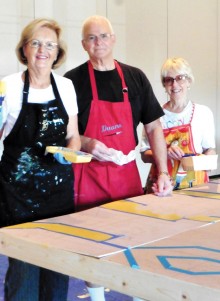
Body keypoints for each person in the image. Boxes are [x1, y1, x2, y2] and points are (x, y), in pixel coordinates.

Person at [64, 15, 173, 301]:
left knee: (133, 241)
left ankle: (136, 294)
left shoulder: (135, 77)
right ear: (83, 44)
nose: (97, 42)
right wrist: (87, 143)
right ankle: (97, 296)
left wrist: (163, 173)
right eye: (91, 38)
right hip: (88, 178)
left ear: (113, 39)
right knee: (91, 245)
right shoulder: (71, 82)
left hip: (127, 178)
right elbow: (64, 133)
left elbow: (153, 127)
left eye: (103, 36)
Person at [0, 18, 81, 301]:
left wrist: (71, 153)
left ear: (58, 53)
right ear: (24, 49)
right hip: (17, 195)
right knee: (24, 273)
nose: (42, 50)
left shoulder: (67, 87)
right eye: (35, 43)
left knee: (57, 269)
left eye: (50, 45)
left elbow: (73, 135)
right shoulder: (6, 88)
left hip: (58, 192)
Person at [141, 57, 216, 192]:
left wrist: (209, 161)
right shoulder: (154, 115)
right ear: (164, 85)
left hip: (197, 186)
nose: (174, 85)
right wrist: (164, 153)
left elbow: (209, 150)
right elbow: (144, 155)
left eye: (180, 78)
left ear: (189, 81)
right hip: (161, 187)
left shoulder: (203, 113)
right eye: (169, 80)